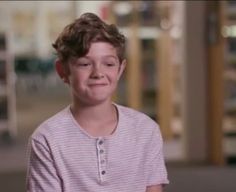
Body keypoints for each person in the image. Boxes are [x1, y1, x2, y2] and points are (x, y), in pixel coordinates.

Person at [26, 12, 169, 192]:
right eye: (85, 64)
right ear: (62, 70)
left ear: (120, 69)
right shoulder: (46, 139)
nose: (98, 73)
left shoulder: (146, 130)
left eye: (108, 64)